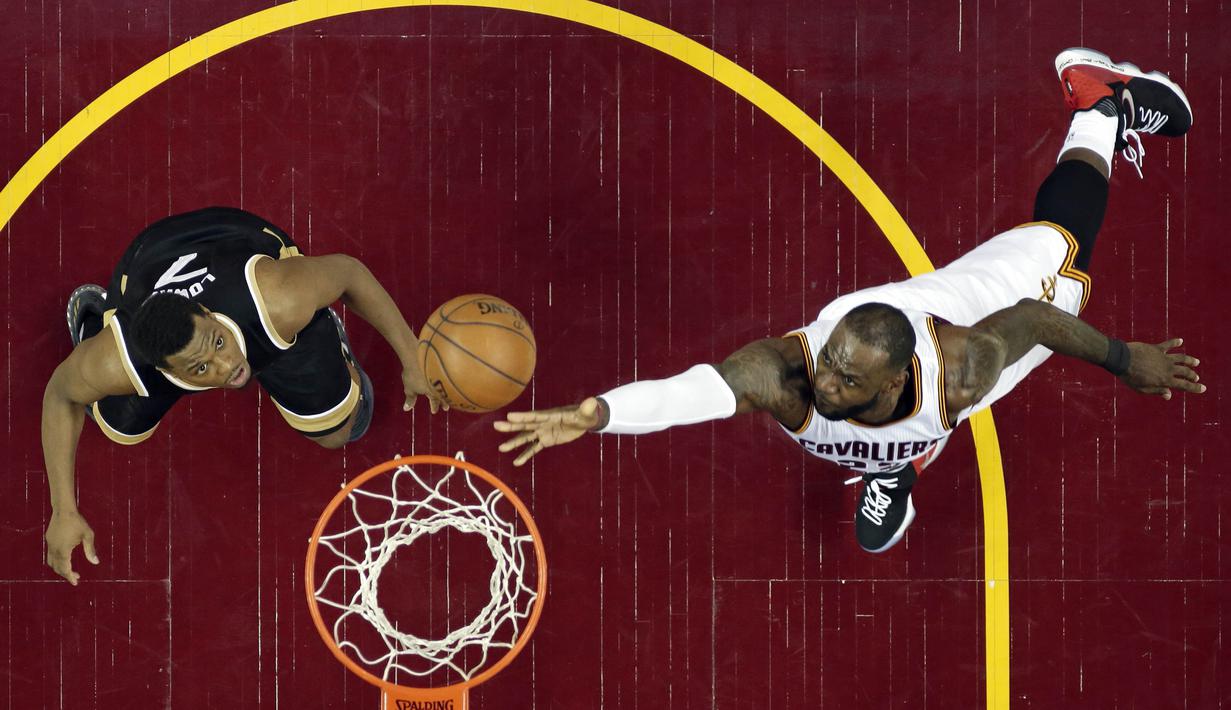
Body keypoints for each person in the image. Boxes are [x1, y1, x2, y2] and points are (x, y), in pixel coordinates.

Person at [494, 48, 1206, 553]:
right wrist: (599, 415)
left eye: (844, 380)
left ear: (892, 380)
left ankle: (1100, 99)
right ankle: (894, 461)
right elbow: (696, 393)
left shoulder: (965, 365)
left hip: (976, 308)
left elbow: (1033, 319)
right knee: (919, 418)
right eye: (830, 365)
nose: (824, 383)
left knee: (1064, 247)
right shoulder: (789, 374)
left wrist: (1123, 359)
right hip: (906, 352)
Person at [43, 206, 443, 585]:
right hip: (147, 266)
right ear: (165, 372)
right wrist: (63, 509)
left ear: (205, 312)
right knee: (118, 425)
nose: (226, 366)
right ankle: (98, 323)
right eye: (201, 368)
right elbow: (60, 395)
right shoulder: (121, 363)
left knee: (340, 432)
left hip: (237, 244)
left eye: (217, 342)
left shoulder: (279, 297)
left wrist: (412, 356)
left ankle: (318, 332)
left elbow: (350, 273)